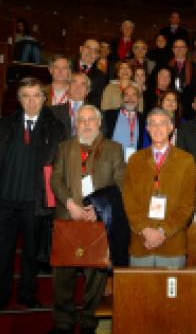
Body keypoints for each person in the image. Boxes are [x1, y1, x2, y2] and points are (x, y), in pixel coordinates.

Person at [50, 104, 124, 333]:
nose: (86, 123)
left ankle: (88, 321)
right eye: (81, 120)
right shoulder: (64, 147)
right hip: (68, 217)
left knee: (96, 275)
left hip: (97, 220)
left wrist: (99, 209)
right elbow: (56, 179)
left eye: (91, 119)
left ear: (99, 122)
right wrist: (70, 203)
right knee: (63, 273)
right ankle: (64, 322)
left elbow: (121, 183)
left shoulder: (114, 148)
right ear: (76, 123)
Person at [0, 77, 65, 309]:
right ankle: (2, 293)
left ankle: (27, 293)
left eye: (36, 95)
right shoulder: (4, 125)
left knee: (30, 253)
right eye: (26, 96)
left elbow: (59, 166)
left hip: (34, 201)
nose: (31, 101)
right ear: (18, 100)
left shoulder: (55, 127)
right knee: (2, 252)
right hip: (5, 201)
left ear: (44, 98)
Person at [123, 108, 196, 268]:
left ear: (171, 128)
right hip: (141, 242)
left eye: (162, 123)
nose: (157, 128)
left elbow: (187, 205)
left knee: (171, 293)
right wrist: (145, 230)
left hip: (173, 244)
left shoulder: (186, 161)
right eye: (153, 124)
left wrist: (163, 232)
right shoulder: (135, 160)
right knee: (139, 292)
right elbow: (129, 201)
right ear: (147, 129)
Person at [103, 85, 146, 163]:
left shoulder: (143, 119)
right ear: (122, 99)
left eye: (134, 95)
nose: (130, 98)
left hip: (135, 164)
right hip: (113, 165)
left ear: (138, 99)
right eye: (126, 95)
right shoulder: (109, 116)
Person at [50, 72, 89, 138]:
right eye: (74, 83)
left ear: (87, 91)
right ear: (68, 87)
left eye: (83, 84)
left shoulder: (97, 113)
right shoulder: (53, 112)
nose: (78, 87)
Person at [75, 39, 108, 109]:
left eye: (95, 51)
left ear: (97, 56)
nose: (90, 52)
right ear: (81, 49)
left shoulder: (101, 76)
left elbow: (97, 100)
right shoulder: (68, 68)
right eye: (88, 48)